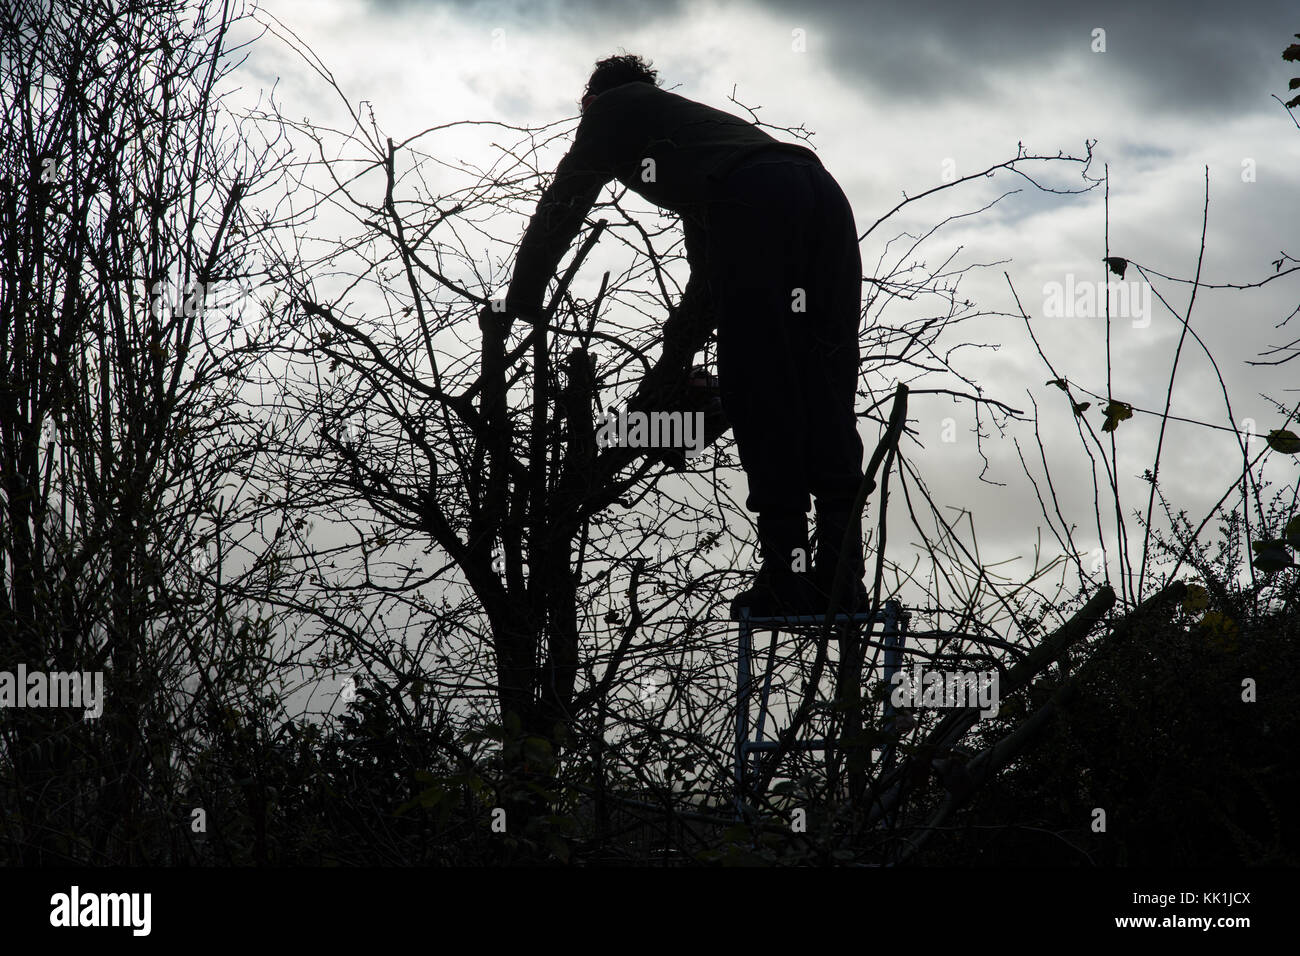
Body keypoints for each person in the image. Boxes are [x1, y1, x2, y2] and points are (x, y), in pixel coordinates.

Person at [503, 54, 867, 617]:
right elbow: (708, 289)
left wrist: (521, 300)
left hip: (758, 205)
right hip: (822, 194)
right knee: (826, 379)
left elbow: (563, 206)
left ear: (590, 103)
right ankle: (841, 577)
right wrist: (673, 364)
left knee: (758, 387)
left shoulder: (610, 111)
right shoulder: (703, 142)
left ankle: (786, 579)